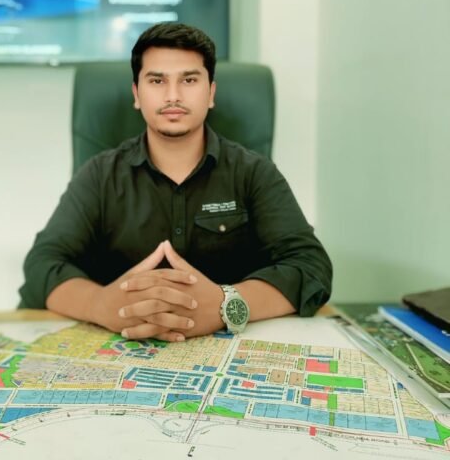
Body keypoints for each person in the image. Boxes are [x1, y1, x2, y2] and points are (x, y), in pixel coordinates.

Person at [19, 23, 332, 341]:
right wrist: (99, 305)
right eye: (157, 81)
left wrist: (227, 304)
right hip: (122, 345)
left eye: (189, 80)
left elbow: (311, 265)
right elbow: (43, 264)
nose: (173, 96)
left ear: (211, 93)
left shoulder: (254, 172)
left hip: (227, 348)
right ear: (136, 95)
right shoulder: (100, 175)